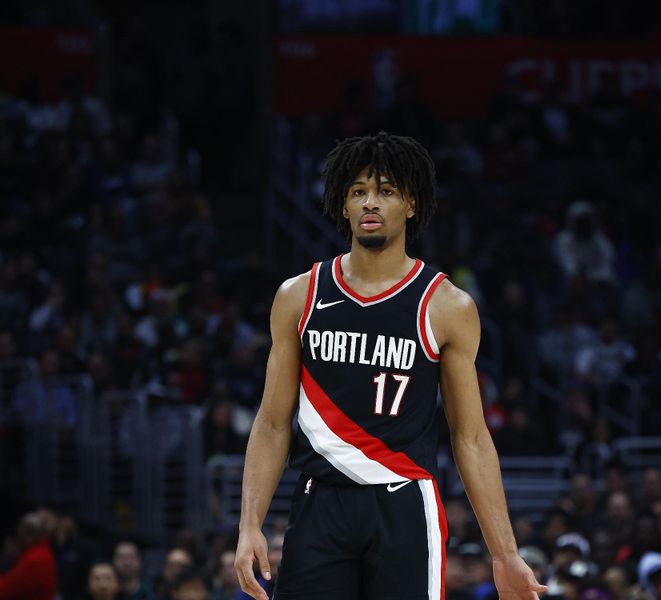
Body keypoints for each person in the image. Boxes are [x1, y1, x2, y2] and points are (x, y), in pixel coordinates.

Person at [234, 132, 548, 600]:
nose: (370, 203)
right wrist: (249, 526)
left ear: (412, 205)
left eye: (386, 191)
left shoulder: (445, 305)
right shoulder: (299, 295)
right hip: (320, 499)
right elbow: (274, 422)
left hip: (404, 504)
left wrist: (503, 553)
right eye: (358, 191)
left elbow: (471, 436)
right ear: (342, 205)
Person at [0, 511, 58, 600]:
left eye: (20, 532)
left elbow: (2, 593)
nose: (18, 537)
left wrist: (4, 562)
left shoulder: (35, 558)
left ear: (29, 534)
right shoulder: (39, 553)